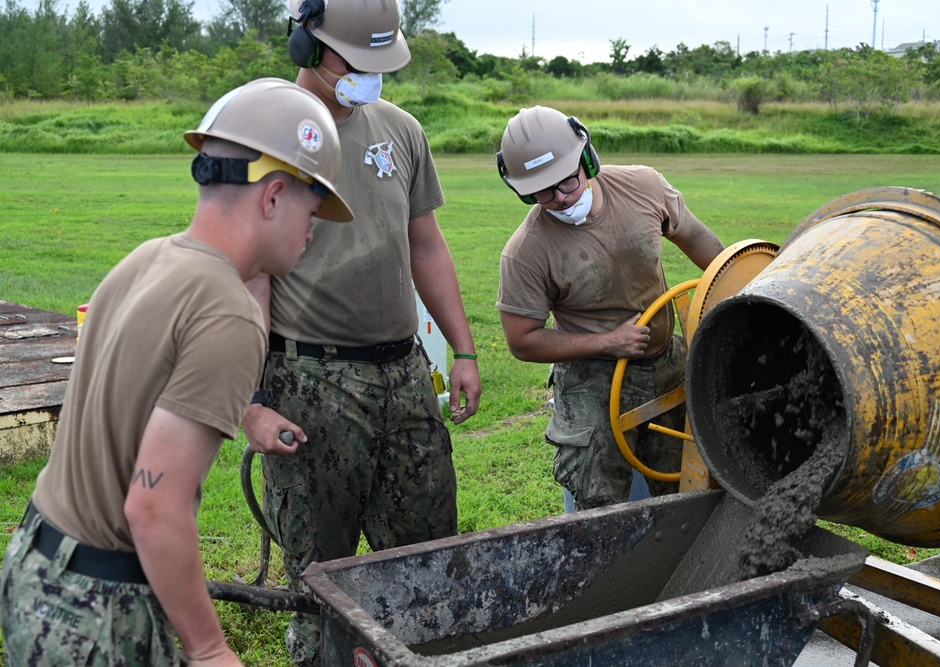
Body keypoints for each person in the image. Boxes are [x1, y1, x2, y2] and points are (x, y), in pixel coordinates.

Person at [0, 77, 352, 666]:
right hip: (99, 609)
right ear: (271, 197)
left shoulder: (148, 258)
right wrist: (210, 649)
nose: (312, 231)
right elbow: (153, 505)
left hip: (37, 565)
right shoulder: (229, 314)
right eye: (311, 209)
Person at [240, 0, 482, 663]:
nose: (373, 75)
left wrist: (461, 347)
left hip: (405, 373)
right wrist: (251, 400)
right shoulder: (270, 136)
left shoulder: (400, 130)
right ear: (306, 46)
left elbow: (426, 244)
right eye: (358, 61)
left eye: (383, 61)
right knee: (322, 577)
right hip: (311, 381)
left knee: (429, 554)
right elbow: (250, 274)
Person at [495, 106, 725, 512]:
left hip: (666, 360)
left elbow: (698, 241)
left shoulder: (644, 187)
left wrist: (745, 290)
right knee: (598, 501)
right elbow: (522, 341)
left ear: (588, 159)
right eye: (540, 193)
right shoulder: (525, 251)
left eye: (566, 182)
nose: (559, 198)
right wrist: (608, 342)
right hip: (590, 376)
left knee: (691, 482)